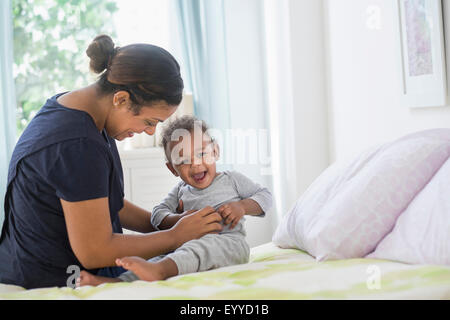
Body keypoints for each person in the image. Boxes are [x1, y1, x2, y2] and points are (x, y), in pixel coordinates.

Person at [0, 35, 223, 289]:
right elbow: (94, 250)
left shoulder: (82, 110)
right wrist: (174, 236)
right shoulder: (77, 144)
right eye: (150, 122)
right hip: (51, 278)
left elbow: (100, 204)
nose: (150, 132)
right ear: (121, 99)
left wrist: (165, 222)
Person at [78, 116, 273, 286]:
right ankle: (117, 282)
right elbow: (157, 214)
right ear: (172, 169)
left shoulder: (231, 180)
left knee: (197, 248)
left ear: (215, 152)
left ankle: (160, 272)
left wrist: (242, 206)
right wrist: (176, 220)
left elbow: (264, 196)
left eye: (202, 154)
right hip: (185, 247)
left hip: (229, 244)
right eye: (183, 160)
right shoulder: (180, 190)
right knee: (158, 257)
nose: (195, 164)